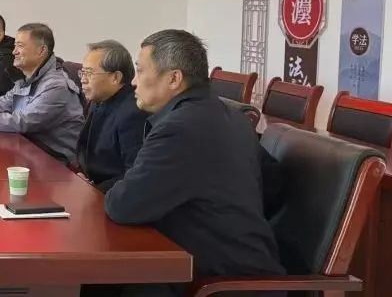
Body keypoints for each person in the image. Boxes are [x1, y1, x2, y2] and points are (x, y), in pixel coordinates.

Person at [104, 30, 283, 290]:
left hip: (221, 282)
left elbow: (123, 205)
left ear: (174, 78)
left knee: (104, 281)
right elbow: (273, 187)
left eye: (140, 71)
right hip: (241, 267)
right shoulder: (230, 116)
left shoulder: (180, 128)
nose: (133, 82)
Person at [0, 23, 84, 164]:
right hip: (29, 152)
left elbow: (22, 122)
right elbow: (1, 104)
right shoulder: (28, 78)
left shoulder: (56, 86)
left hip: (57, 162)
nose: (14, 52)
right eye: (15, 46)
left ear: (41, 50)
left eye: (20, 46)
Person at [75, 40, 147, 191]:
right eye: (82, 72)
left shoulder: (133, 113)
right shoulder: (99, 100)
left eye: (89, 73)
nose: (83, 79)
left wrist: (95, 189)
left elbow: (134, 174)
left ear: (116, 77)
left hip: (111, 195)